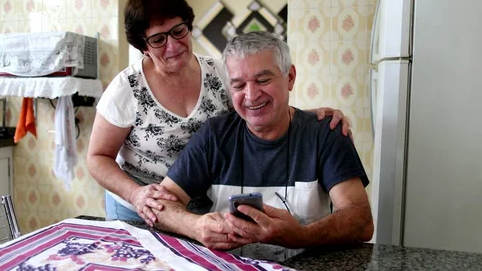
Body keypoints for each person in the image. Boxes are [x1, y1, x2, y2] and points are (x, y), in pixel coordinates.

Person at [87, 0, 353, 226]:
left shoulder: (219, 73)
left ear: (188, 26)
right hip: (139, 205)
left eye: (178, 31)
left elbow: (252, 106)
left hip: (200, 202)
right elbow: (97, 157)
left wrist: (312, 117)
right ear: (143, 46)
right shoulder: (127, 88)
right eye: (158, 39)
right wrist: (136, 194)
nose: (173, 45)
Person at [153, 31, 373, 250]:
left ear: (290, 78)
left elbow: (361, 220)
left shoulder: (325, 132)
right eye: (239, 85)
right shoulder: (214, 135)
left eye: (263, 80)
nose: (251, 95)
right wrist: (195, 226)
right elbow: (161, 203)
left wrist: (302, 236)